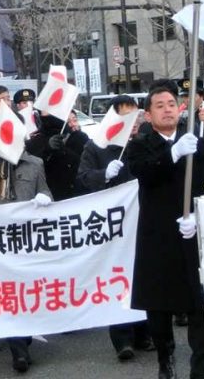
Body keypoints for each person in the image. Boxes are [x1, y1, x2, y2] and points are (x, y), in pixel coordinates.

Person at [126, 85, 204, 379]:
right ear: (148, 114)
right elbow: (144, 174)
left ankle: (201, 366)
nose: (168, 108)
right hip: (158, 238)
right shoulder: (141, 144)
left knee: (200, 304)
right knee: (158, 309)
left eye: (172, 103)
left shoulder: (198, 143)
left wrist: (202, 212)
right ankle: (165, 357)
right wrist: (172, 153)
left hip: (195, 236)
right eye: (160, 105)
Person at [0, 109, 51, 373]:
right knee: (8, 294)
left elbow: (46, 192)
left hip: (28, 239)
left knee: (27, 292)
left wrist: (46, 199)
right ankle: (19, 351)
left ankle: (25, 338)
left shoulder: (35, 163)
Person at [76, 95, 154, 361]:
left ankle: (145, 333)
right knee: (118, 277)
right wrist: (103, 175)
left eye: (136, 116)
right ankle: (122, 339)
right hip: (113, 225)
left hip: (144, 219)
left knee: (144, 275)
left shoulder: (147, 141)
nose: (133, 122)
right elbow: (83, 177)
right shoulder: (97, 146)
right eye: (126, 116)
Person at [26, 111, 89, 201]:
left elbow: (84, 165)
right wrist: (48, 148)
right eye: (45, 112)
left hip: (77, 197)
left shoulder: (79, 137)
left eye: (74, 120)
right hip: (51, 198)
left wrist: (63, 150)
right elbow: (34, 167)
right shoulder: (36, 140)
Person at [178, 80, 204, 144]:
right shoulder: (184, 115)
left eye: (191, 96)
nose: (187, 100)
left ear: (202, 97)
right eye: (184, 96)